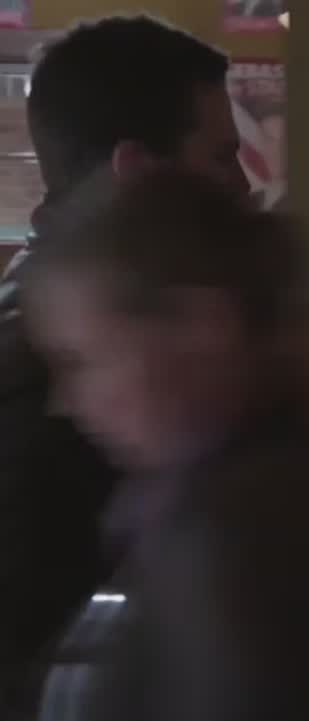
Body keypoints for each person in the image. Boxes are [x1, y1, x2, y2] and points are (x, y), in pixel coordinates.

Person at [22, 167, 309, 721]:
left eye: (83, 361)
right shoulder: (217, 499)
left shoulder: (237, 534)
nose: (68, 401)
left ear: (202, 327)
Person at [0, 16, 249, 716]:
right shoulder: (44, 383)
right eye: (221, 158)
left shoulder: (64, 328)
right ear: (139, 173)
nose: (244, 188)